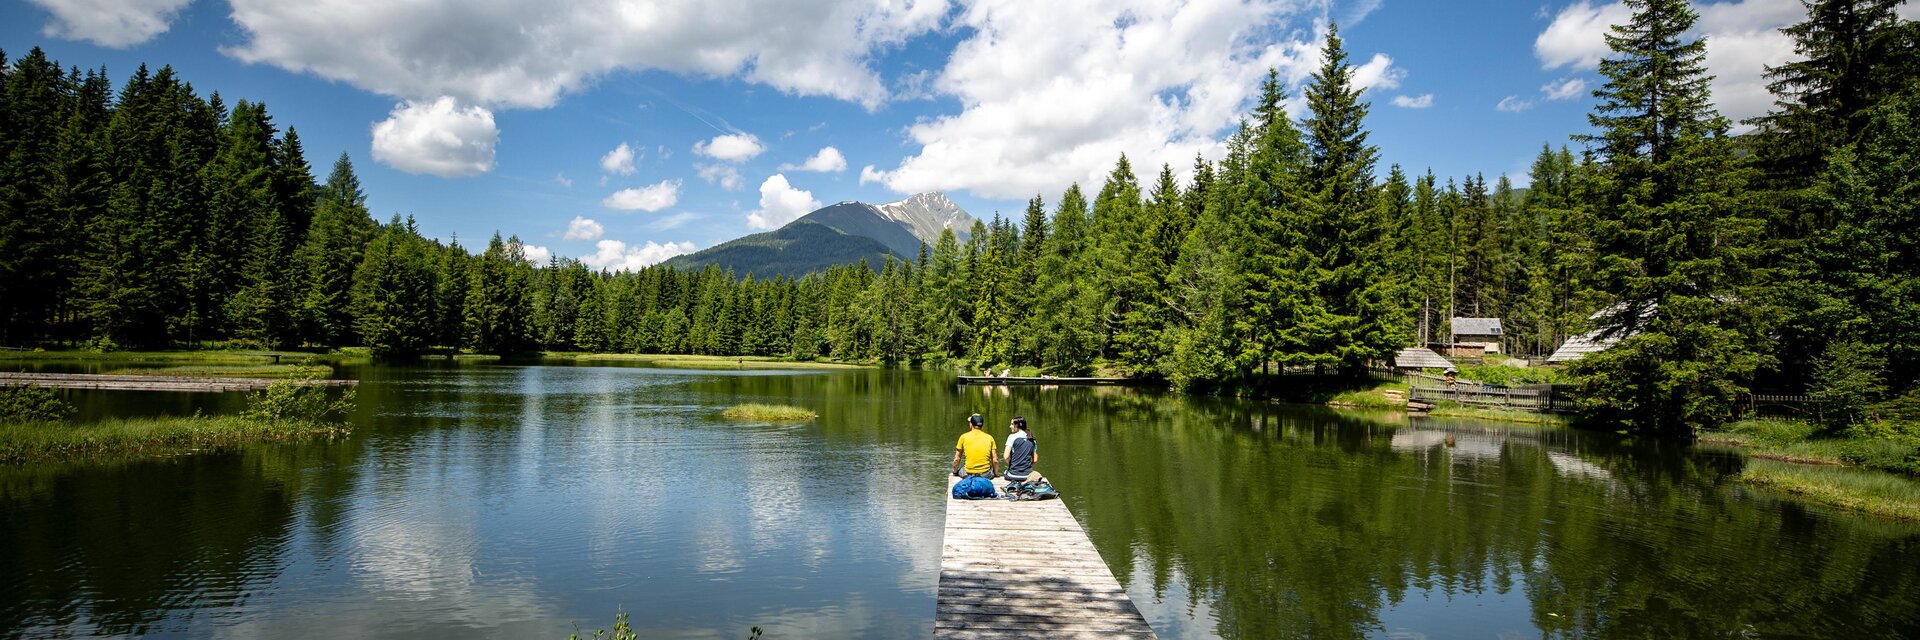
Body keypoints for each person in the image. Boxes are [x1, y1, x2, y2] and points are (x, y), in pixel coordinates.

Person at [950, 413, 999, 479]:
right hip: (985, 475)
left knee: (961, 469)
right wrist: (996, 474)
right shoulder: (990, 438)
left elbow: (957, 459)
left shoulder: (963, 437)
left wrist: (955, 472)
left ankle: (969, 477)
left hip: (969, 473)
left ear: (971, 424)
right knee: (990, 469)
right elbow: (995, 460)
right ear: (982, 425)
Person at [1002, 416, 1041, 485]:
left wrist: (1012, 466)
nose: (1010, 426)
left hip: (1013, 475)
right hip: (1027, 475)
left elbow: (1006, 457)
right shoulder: (1032, 439)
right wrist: (1026, 466)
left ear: (1018, 425)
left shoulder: (1011, 437)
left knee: (1005, 472)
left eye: (1012, 424)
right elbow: (1035, 460)